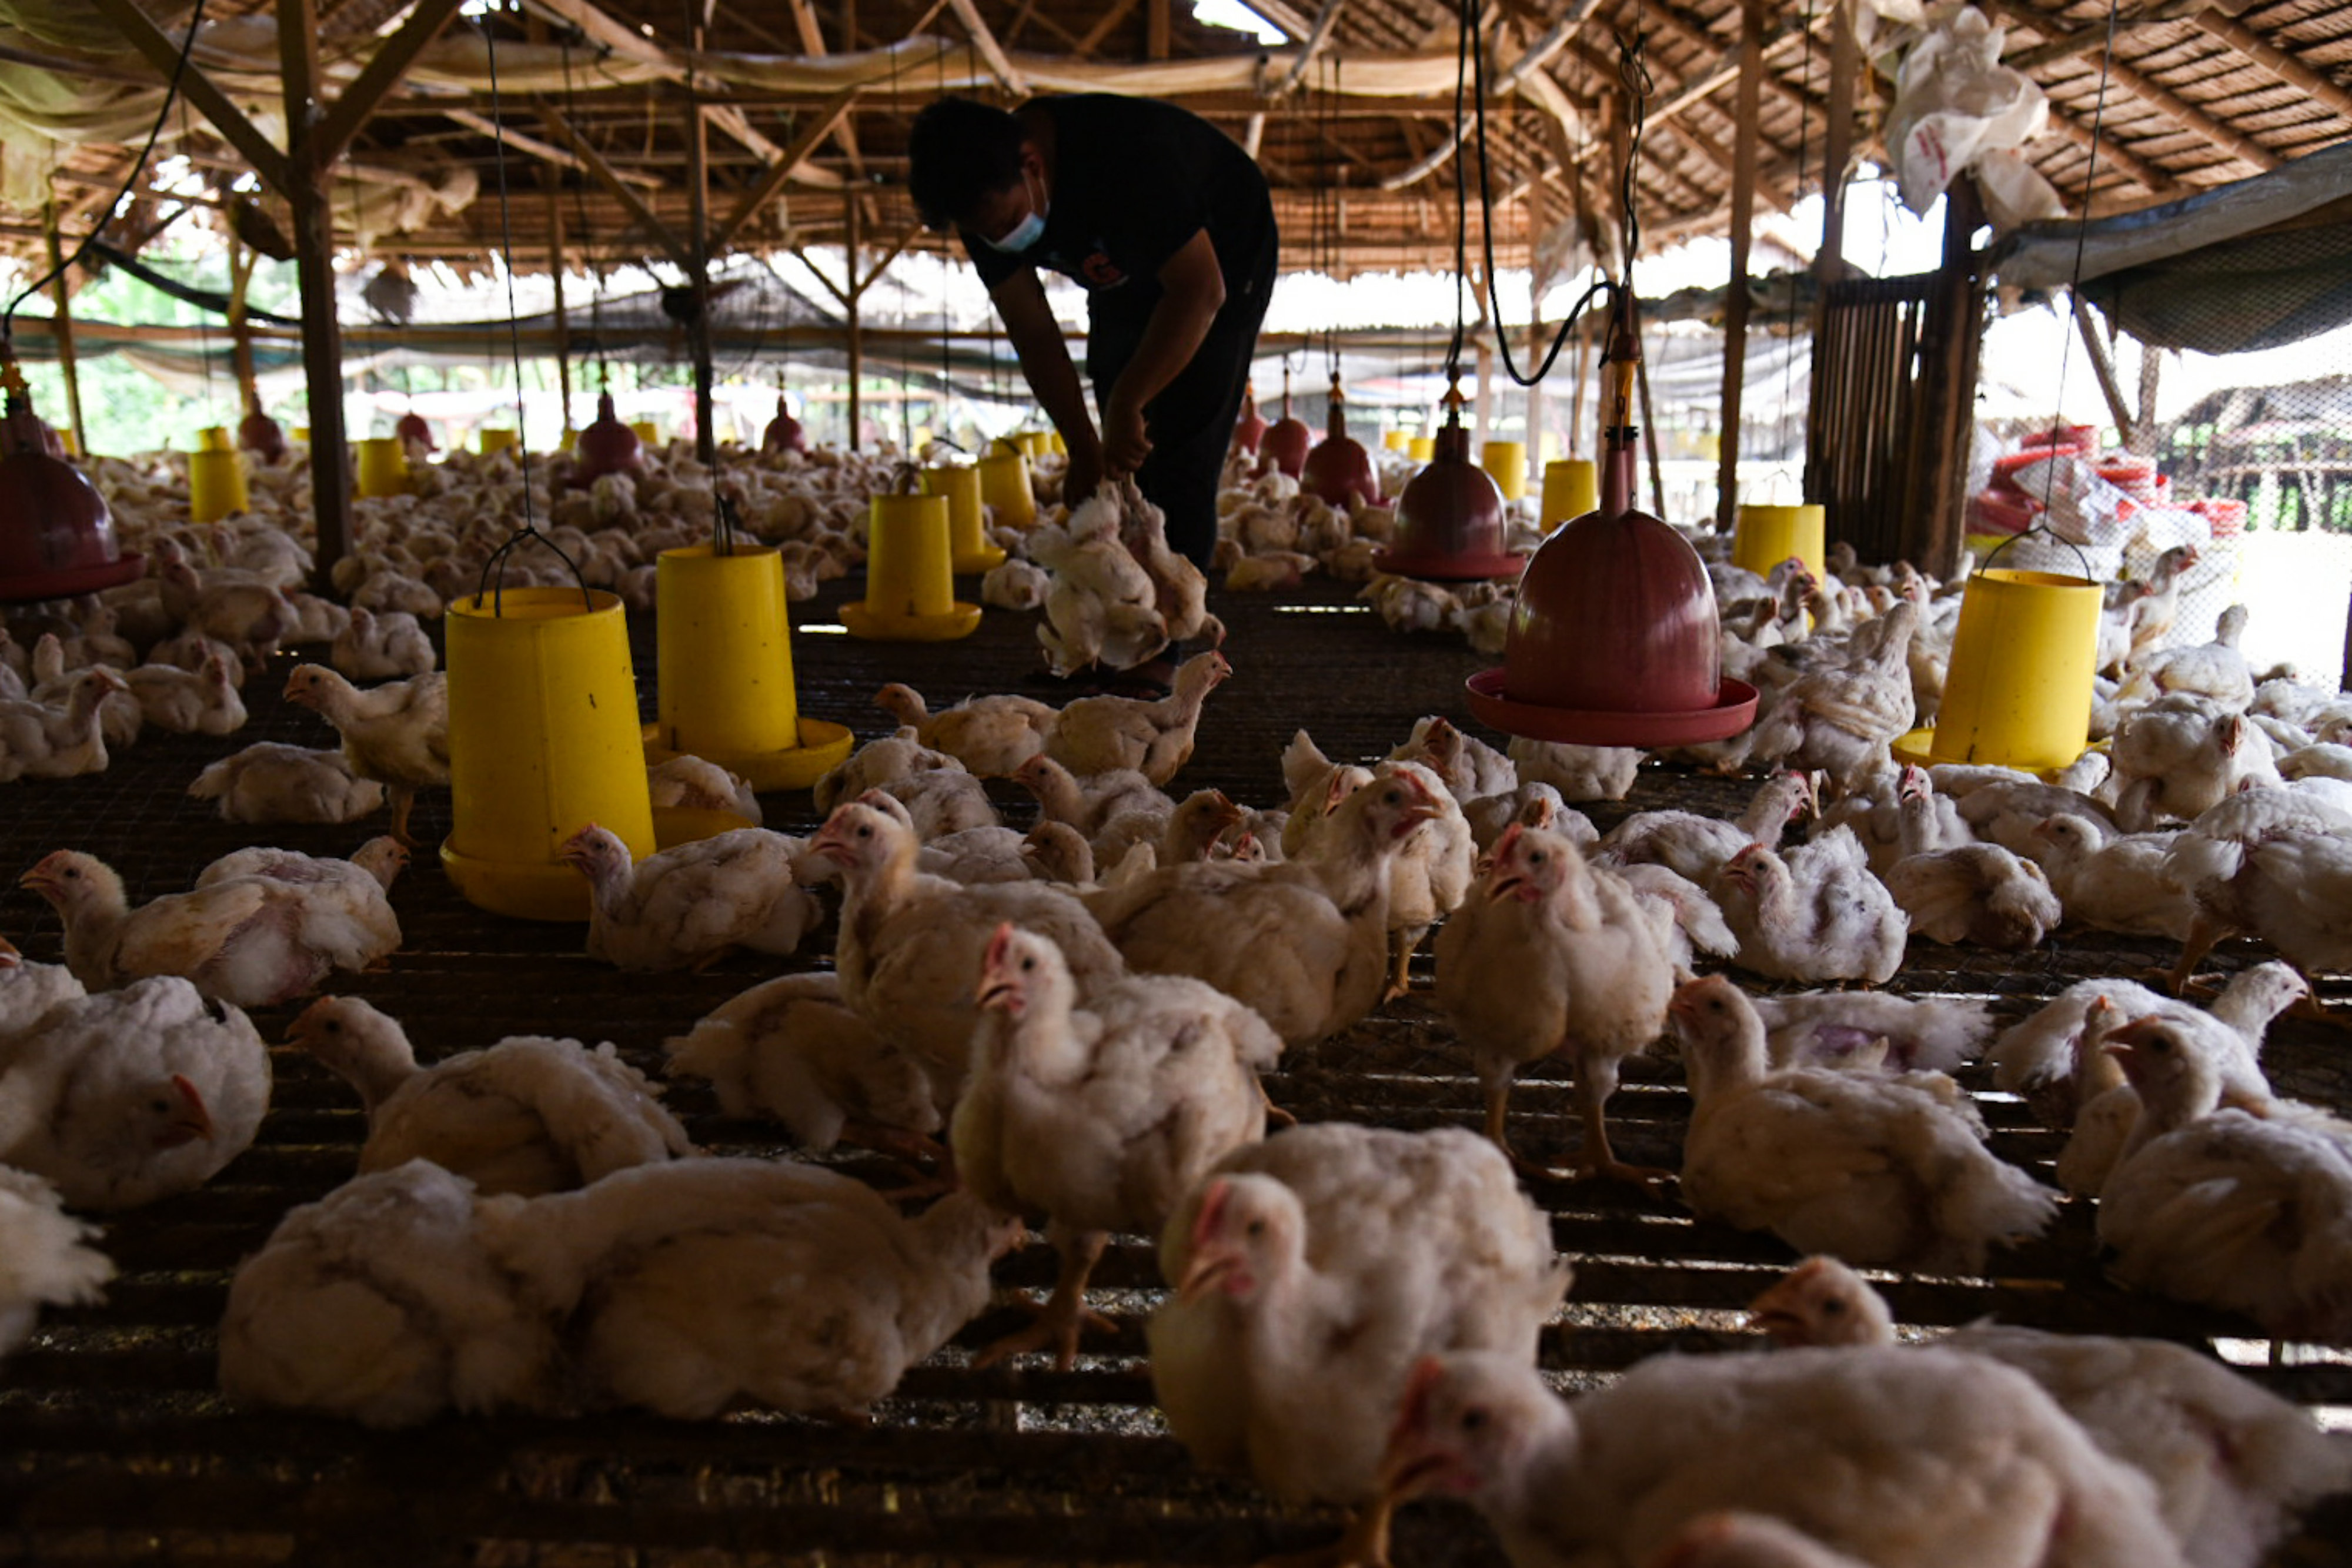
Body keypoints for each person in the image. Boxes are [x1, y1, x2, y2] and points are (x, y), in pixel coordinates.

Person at [908, 94, 1277, 579]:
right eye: (983, 232)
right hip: (1119, 271)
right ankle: (1126, 606)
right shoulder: (983, 200)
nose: (998, 238)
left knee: (1181, 450)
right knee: (1117, 456)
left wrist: (1131, 399)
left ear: (1032, 165)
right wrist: (1083, 444)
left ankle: (1173, 634)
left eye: (1004, 223)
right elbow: (1033, 330)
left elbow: (1200, 291)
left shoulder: (1124, 158)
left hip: (1222, 260)